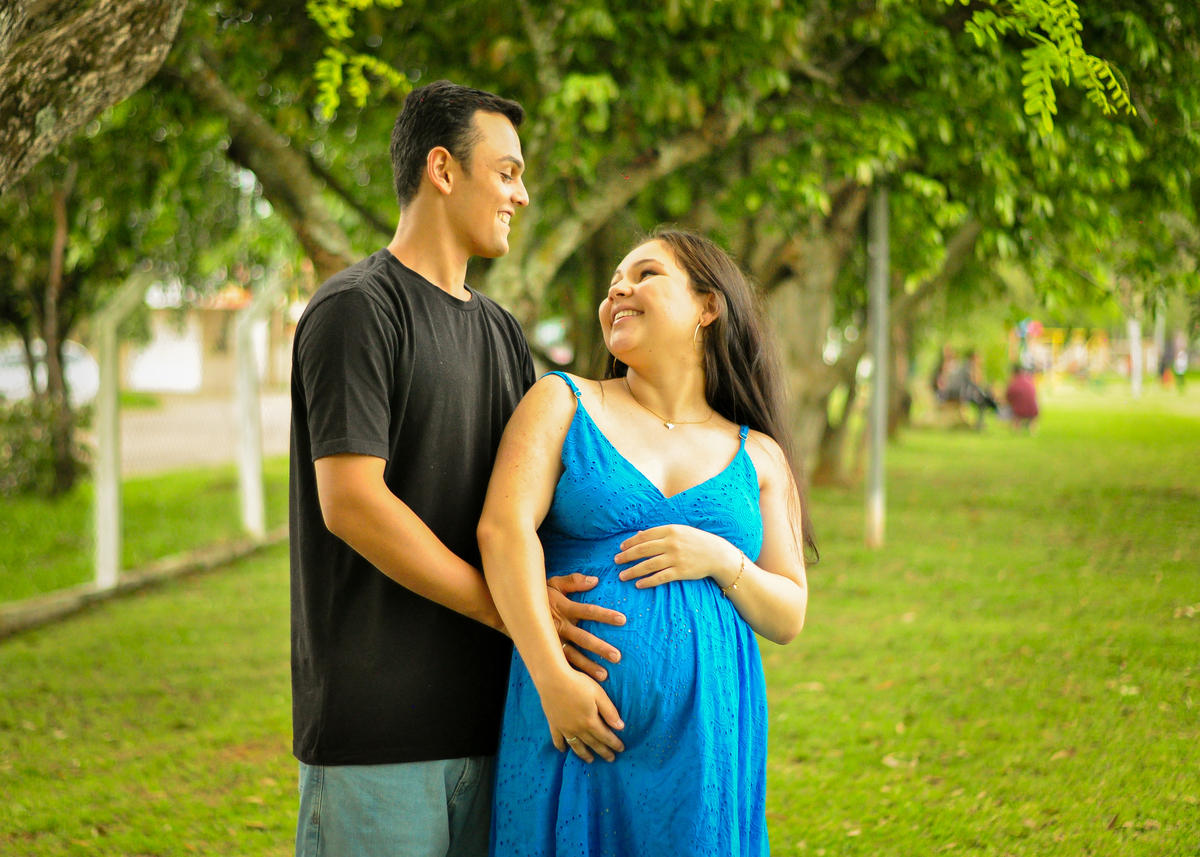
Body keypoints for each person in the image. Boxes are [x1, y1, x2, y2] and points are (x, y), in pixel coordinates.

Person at [288, 80, 624, 857]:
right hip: (378, 735)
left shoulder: (502, 332)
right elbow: (353, 503)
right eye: (506, 172)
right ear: (442, 169)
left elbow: (531, 504)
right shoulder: (355, 309)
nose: (521, 194)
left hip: (497, 723)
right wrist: (508, 607)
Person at [478, 229, 813, 856]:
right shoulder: (564, 401)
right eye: (613, 285)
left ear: (708, 306)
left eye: (645, 275)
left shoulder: (760, 454)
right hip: (575, 722)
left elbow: (789, 614)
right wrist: (553, 681)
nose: (618, 292)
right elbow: (502, 531)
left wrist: (722, 559)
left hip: (708, 740)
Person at [1004, 363, 1039, 432]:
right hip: (1033, 410)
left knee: (1008, 407)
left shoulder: (1013, 383)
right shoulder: (1028, 379)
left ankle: (1016, 427)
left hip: (1019, 411)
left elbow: (1008, 397)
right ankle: (1032, 428)